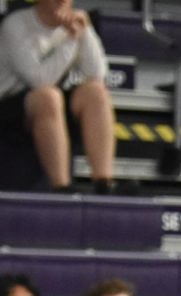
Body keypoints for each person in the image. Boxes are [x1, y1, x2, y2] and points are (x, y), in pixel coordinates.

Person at [0, 0, 116, 192]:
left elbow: (97, 74)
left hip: (50, 108)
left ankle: (103, 183)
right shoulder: (16, 24)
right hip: (9, 105)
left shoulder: (74, 22)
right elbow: (40, 79)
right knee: (48, 96)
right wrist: (71, 40)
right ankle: (62, 187)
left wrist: (84, 31)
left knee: (95, 93)